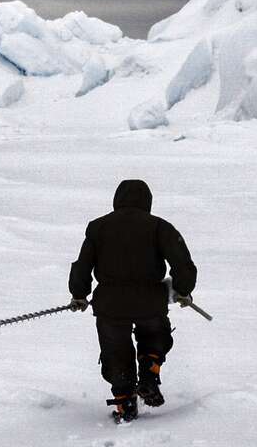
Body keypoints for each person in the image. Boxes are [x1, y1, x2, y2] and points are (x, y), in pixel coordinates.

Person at [68, 179, 198, 421]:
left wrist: (79, 294)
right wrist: (182, 289)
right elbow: (182, 263)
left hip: (110, 305)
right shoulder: (160, 227)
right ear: (147, 201)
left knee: (115, 351)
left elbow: (82, 266)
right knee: (154, 335)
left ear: (117, 200)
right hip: (150, 301)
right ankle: (150, 368)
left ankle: (124, 403)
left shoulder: (98, 228)